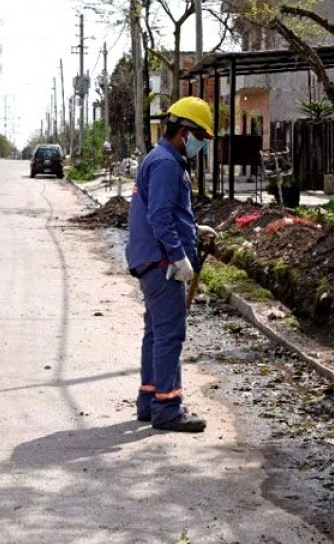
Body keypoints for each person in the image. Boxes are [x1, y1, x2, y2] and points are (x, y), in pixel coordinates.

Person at [125, 96, 218, 433]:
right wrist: (178, 255)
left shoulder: (161, 158)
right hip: (161, 260)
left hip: (150, 258)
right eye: (200, 138)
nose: (201, 145)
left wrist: (192, 229)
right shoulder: (166, 164)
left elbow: (164, 211)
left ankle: (150, 400)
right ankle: (167, 408)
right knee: (169, 334)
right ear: (185, 133)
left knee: (156, 332)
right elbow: (160, 215)